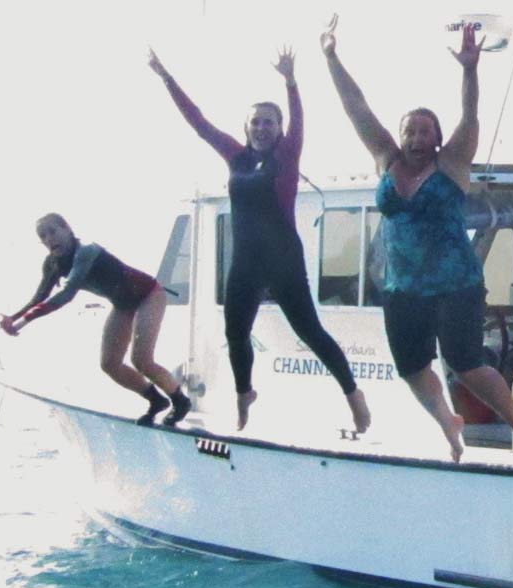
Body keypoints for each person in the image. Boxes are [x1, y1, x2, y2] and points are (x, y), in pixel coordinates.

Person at [320, 16, 513, 467]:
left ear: (437, 139)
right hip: (402, 286)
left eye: (425, 131)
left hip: (455, 281)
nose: (417, 138)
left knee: (465, 362)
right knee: (411, 368)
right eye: (410, 131)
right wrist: (330, 57)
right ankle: (447, 421)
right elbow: (357, 107)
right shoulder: (386, 159)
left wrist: (470, 69)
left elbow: (470, 114)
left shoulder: (453, 163)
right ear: (401, 137)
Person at [149, 46, 371, 433]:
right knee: (235, 333)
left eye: (269, 122)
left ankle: (354, 396)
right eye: (256, 122)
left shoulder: (287, 155)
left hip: (284, 258)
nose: (262, 127)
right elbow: (199, 123)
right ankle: (244, 394)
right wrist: (167, 77)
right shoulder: (235, 157)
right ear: (247, 127)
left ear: (279, 129)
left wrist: (291, 83)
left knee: (311, 332)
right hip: (247, 262)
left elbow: (300, 119)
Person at [2, 214, 192, 426]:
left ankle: (180, 400)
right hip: (122, 303)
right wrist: (13, 317)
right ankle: (156, 400)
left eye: (53, 231)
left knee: (141, 360)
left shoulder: (86, 252)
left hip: (149, 295)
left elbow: (67, 294)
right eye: (43, 236)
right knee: (109, 364)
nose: (49, 239)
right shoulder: (52, 264)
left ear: (67, 228)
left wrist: (22, 322)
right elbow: (40, 296)